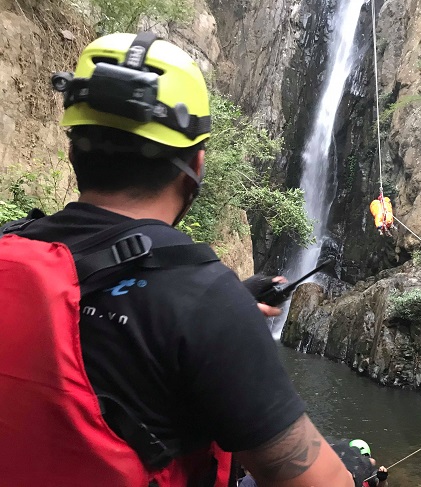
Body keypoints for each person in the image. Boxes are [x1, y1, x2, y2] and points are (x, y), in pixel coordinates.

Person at [0, 32, 371, 487]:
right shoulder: (204, 302)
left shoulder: (9, 247)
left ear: (73, 149)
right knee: (355, 463)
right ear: (196, 165)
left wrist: (226, 303)